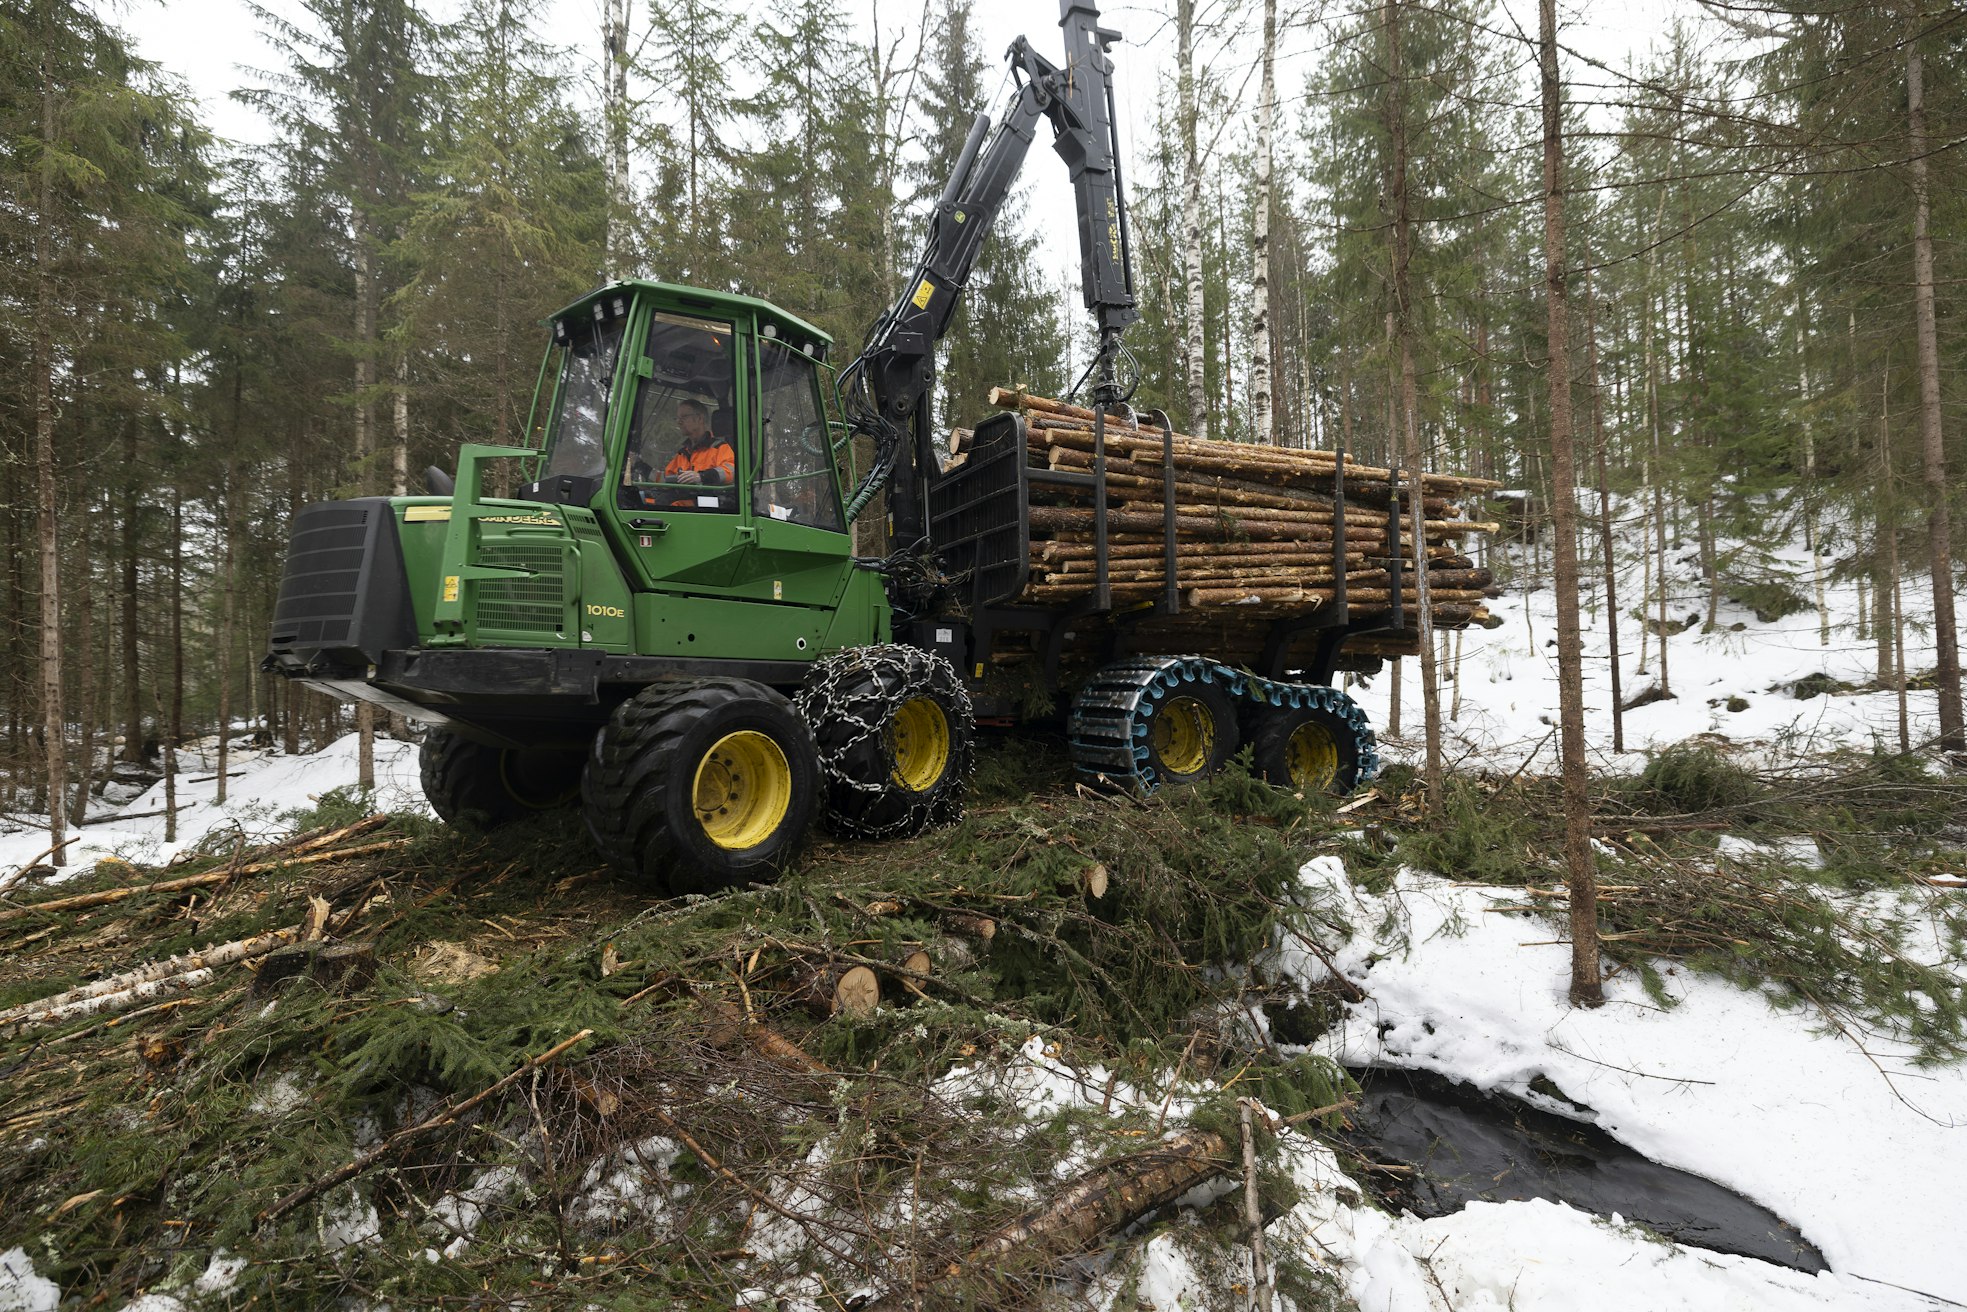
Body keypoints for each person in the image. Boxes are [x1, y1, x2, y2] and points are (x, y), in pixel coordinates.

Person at [662, 400, 734, 504]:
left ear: (700, 419)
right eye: (678, 418)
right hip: (688, 502)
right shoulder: (684, 453)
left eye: (684, 417)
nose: (679, 422)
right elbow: (666, 479)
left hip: (711, 503)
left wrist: (701, 477)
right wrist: (642, 467)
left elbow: (732, 471)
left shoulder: (719, 448)